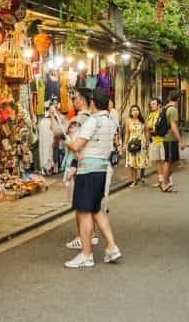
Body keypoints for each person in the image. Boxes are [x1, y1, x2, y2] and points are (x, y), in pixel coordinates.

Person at [64, 89, 121, 269]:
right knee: (96, 209)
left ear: (93, 103)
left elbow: (78, 145)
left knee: (84, 211)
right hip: (102, 168)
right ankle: (111, 246)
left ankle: (86, 254)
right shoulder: (111, 122)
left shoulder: (92, 121)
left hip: (87, 170)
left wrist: (69, 143)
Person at [159, 92, 185, 193]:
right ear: (178, 99)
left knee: (174, 161)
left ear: (169, 98)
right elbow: (173, 126)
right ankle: (164, 183)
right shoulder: (172, 109)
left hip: (168, 138)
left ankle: (165, 181)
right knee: (169, 161)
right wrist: (180, 141)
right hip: (170, 138)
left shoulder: (165, 107)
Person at [123, 105, 147, 187]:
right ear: (130, 112)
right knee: (132, 163)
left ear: (139, 111)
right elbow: (126, 133)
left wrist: (147, 142)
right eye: (133, 110)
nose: (135, 111)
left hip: (141, 142)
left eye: (136, 110)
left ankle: (142, 175)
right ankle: (134, 181)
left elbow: (146, 132)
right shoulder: (128, 121)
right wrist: (125, 144)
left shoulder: (142, 120)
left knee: (142, 161)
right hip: (132, 143)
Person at [144, 98, 165, 188]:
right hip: (154, 141)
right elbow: (147, 129)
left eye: (153, 104)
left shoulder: (162, 115)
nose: (151, 105)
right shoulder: (150, 115)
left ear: (159, 105)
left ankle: (166, 180)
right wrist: (147, 141)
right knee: (157, 162)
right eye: (151, 104)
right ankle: (160, 180)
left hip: (163, 141)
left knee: (164, 161)